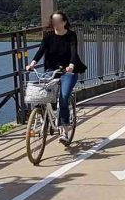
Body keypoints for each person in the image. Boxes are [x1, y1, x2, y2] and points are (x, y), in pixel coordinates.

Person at [26, 11, 86, 140]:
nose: (55, 24)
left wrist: (71, 65)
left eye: (58, 21)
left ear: (64, 22)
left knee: (63, 97)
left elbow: (74, 53)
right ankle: (43, 119)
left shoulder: (71, 35)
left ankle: (64, 131)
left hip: (68, 71)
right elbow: (41, 50)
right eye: (53, 21)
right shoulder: (48, 36)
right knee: (41, 95)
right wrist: (32, 64)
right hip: (51, 70)